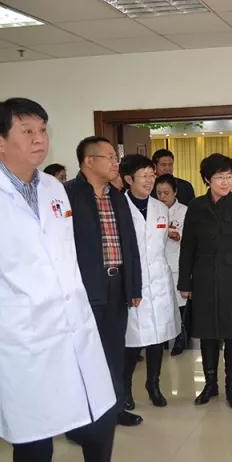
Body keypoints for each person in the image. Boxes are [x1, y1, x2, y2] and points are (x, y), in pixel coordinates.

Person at [0, 97, 117, 462]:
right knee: (35, 445)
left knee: (99, 422)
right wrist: (16, 313)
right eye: (27, 131)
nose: (39, 138)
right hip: (26, 341)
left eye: (42, 130)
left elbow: (65, 258)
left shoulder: (54, 189)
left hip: (76, 330)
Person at [65, 136, 144, 428]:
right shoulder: (67, 195)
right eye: (109, 157)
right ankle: (81, 419)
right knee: (83, 355)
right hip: (84, 289)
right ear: (89, 161)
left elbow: (130, 245)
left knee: (114, 351)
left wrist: (134, 286)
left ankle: (114, 407)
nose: (115, 163)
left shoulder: (117, 197)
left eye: (115, 157)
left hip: (117, 285)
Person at [178, 153, 232, 409]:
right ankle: (210, 385)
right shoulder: (196, 207)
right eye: (219, 177)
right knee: (207, 334)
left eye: (229, 177)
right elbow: (187, 247)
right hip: (203, 279)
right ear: (207, 179)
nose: (225, 182)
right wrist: (185, 282)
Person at [120, 154, 180, 408]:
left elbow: (161, 245)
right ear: (128, 179)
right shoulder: (119, 207)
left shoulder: (160, 208)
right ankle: (124, 390)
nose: (149, 181)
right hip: (133, 283)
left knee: (158, 337)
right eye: (143, 176)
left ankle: (153, 384)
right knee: (132, 341)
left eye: (151, 175)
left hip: (159, 281)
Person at [154, 174, 189, 356]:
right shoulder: (153, 210)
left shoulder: (184, 211)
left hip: (177, 264)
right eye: (159, 193)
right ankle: (163, 341)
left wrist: (170, 233)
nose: (162, 197)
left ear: (175, 192)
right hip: (158, 264)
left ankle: (181, 339)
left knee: (179, 304)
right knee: (162, 304)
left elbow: (183, 237)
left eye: (166, 193)